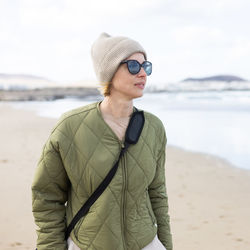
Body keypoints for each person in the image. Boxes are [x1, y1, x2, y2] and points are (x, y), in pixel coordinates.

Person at [32, 32, 173, 250]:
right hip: (87, 244)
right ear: (109, 71)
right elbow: (46, 197)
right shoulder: (70, 127)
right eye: (134, 66)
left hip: (146, 243)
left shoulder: (153, 127)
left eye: (146, 66)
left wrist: (165, 244)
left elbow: (157, 193)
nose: (143, 73)